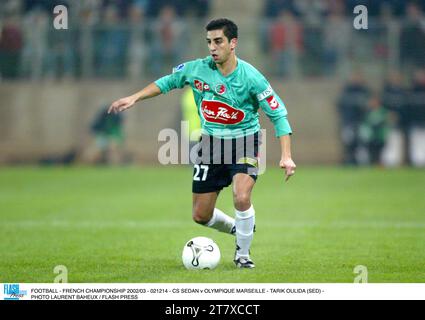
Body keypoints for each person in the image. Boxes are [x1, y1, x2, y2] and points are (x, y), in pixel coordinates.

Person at [108, 18, 296, 269]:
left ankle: (243, 255)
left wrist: (286, 155)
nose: (212, 47)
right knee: (200, 215)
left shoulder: (252, 78)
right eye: (209, 42)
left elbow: (278, 114)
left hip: (245, 142)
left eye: (218, 41)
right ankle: (239, 228)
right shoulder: (197, 69)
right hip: (209, 145)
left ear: (233, 44)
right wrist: (135, 97)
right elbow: (166, 82)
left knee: (241, 197)